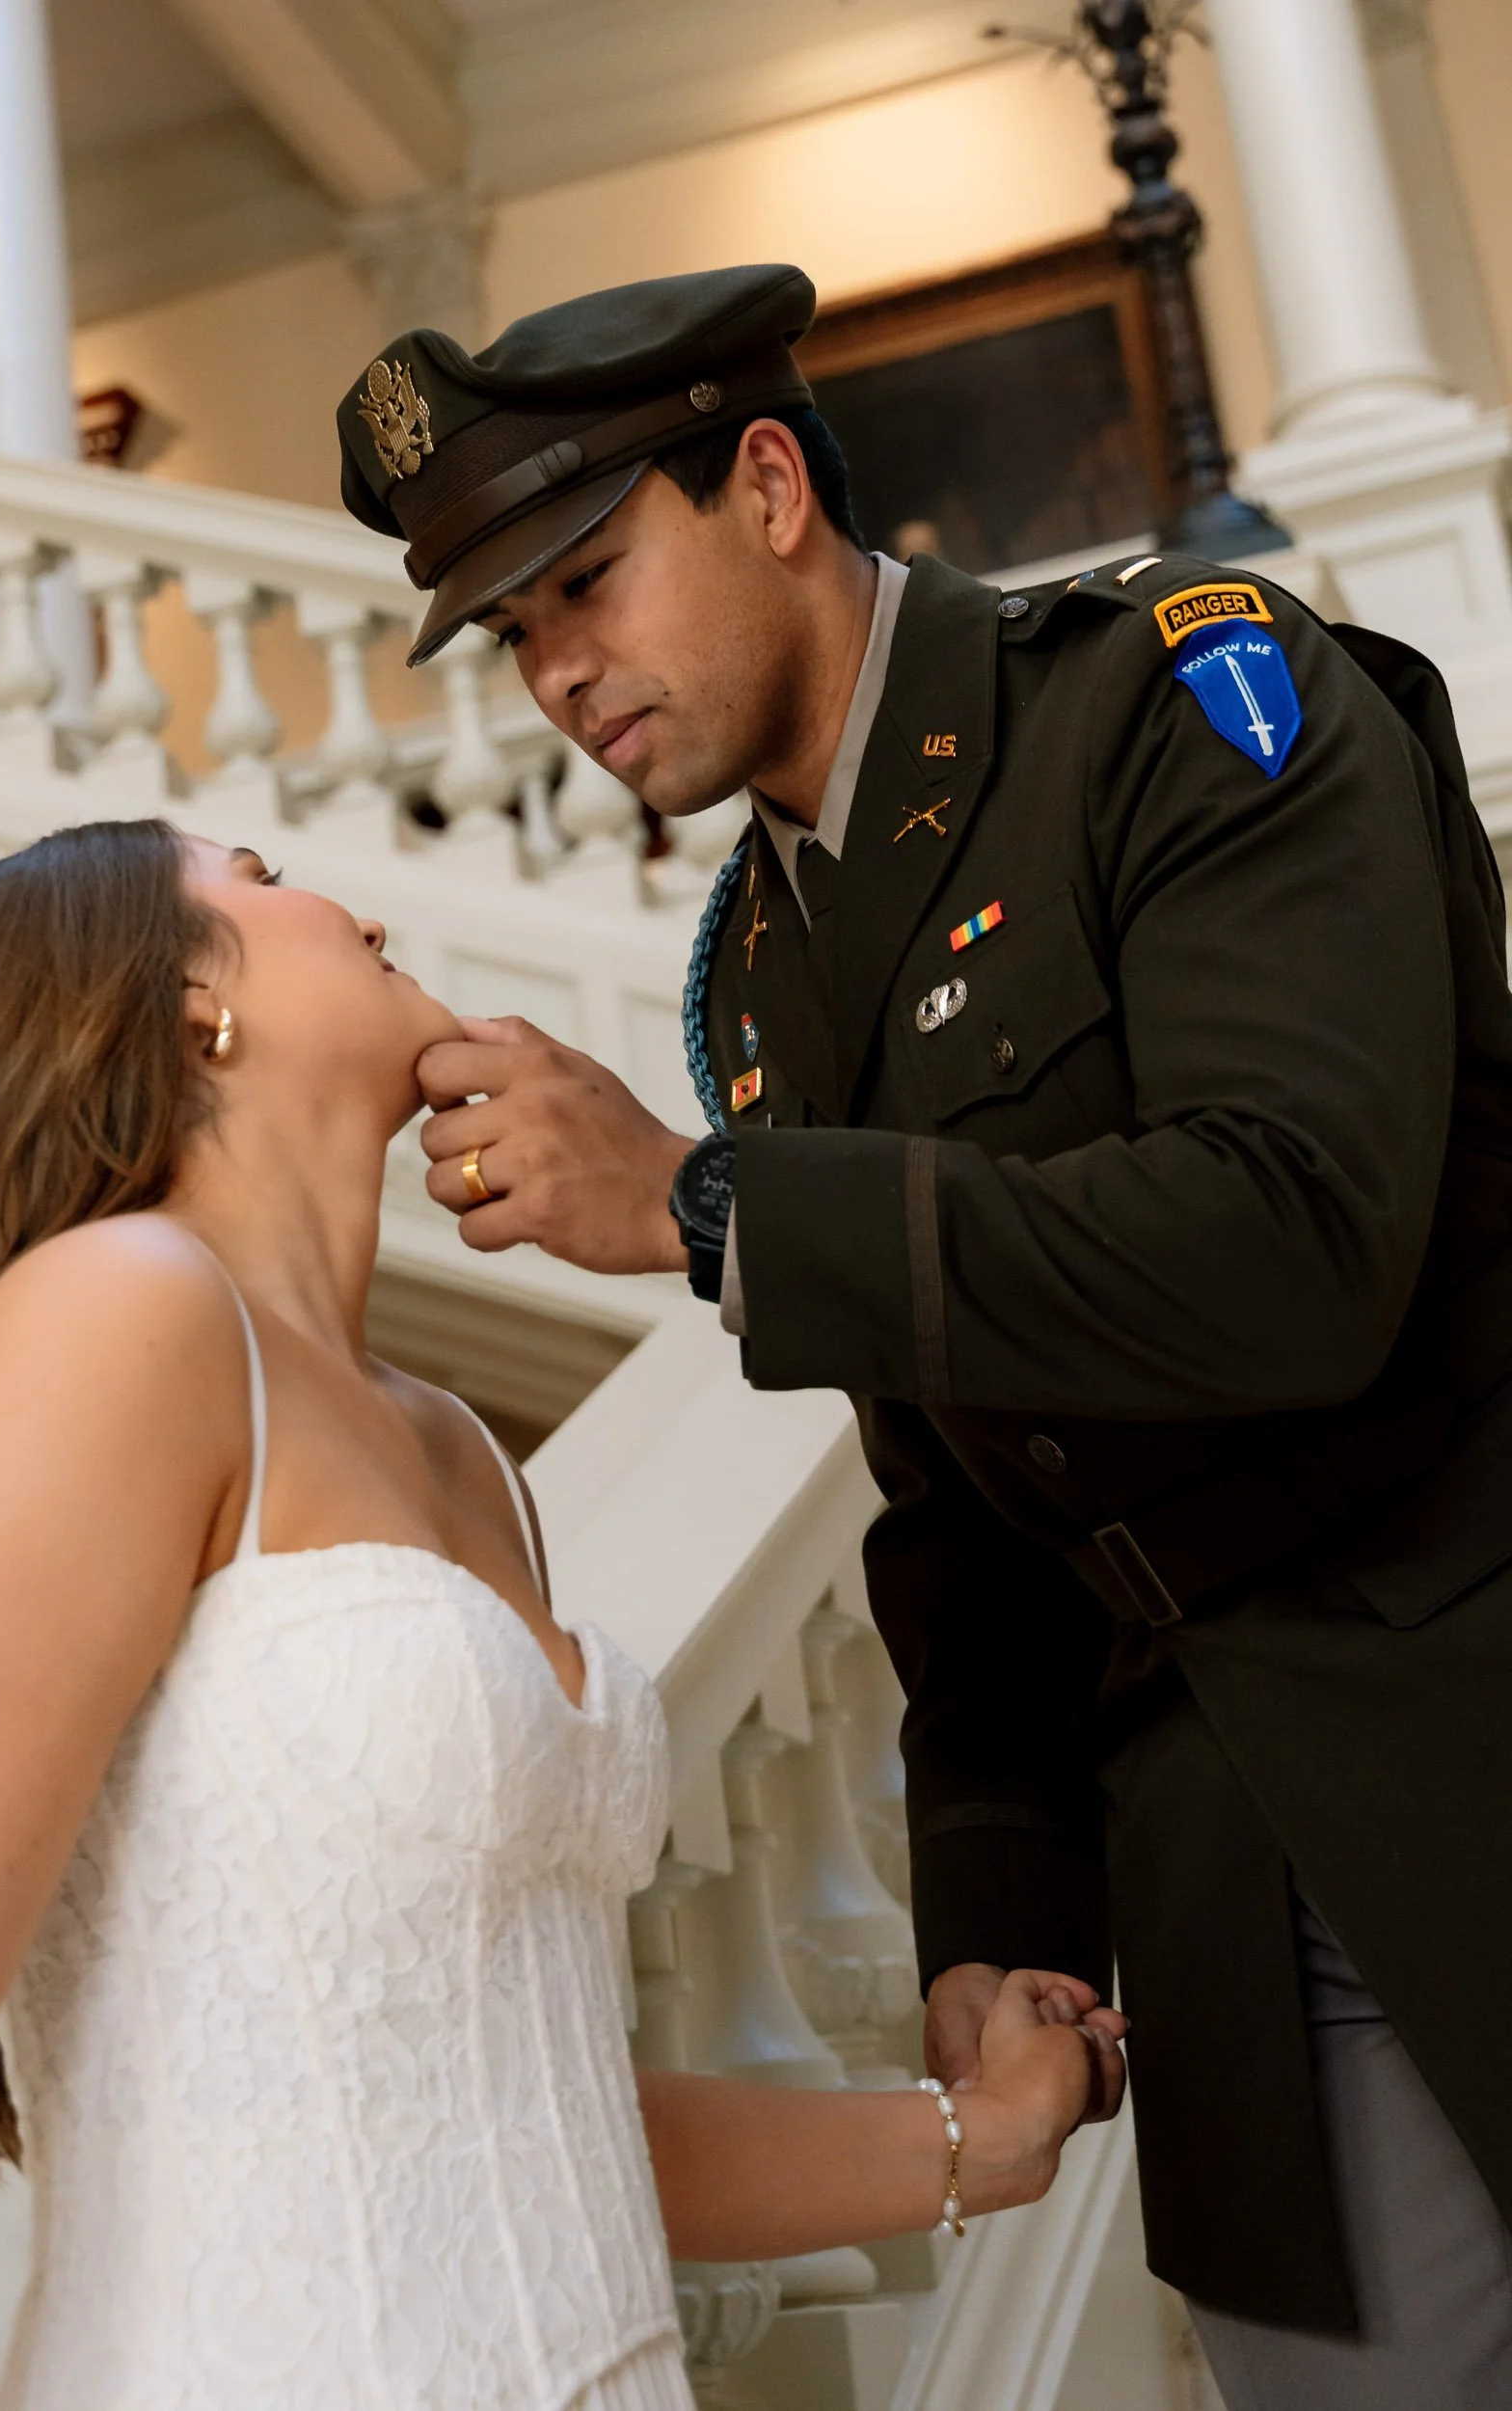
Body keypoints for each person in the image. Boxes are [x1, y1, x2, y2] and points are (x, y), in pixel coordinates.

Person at [339, 265, 1512, 2406]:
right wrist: (1001, 1907)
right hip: (1220, 1878)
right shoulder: (774, 963)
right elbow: (964, 1517)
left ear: (767, 481)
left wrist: (709, 1201)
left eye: (587, 577)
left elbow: (1296, 1238)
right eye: (514, 632)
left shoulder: (1179, 697)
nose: (558, 672)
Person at [0, 819, 1118, 2411]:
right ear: (188, 996)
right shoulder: (107, 1317)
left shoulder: (459, 1449)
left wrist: (984, 2136)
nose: (350, 897)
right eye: (263, 880)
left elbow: (518, 2106)